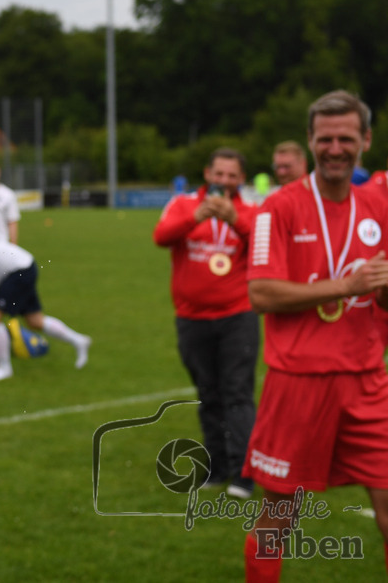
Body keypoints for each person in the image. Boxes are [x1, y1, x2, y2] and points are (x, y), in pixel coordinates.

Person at [244, 90, 388, 581]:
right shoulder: (277, 207)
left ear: (366, 140)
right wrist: (346, 285)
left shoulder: (378, 205)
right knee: (277, 521)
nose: (335, 149)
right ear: (310, 140)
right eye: (325, 139)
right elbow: (261, 293)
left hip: (367, 381)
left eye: (346, 138)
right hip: (298, 384)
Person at [153, 147, 259, 499]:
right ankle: (217, 466)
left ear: (241, 179)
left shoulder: (251, 209)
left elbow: (265, 246)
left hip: (237, 315)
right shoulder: (183, 204)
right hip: (191, 317)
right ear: (207, 173)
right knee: (208, 394)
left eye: (232, 175)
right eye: (219, 174)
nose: (224, 181)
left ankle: (244, 472)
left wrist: (235, 220)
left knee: (237, 393)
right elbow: (161, 237)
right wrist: (195, 217)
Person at [0, 237, 91, 379]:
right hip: (23, 267)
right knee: (35, 320)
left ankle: (4, 368)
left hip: (19, 270)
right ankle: (79, 340)